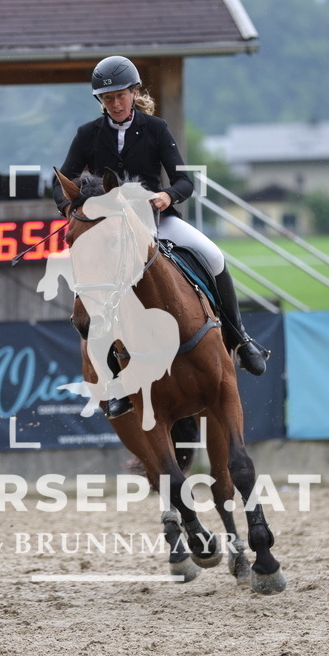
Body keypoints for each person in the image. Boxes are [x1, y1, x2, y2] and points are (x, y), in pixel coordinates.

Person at [52, 55, 268, 419]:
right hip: (110, 228)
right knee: (107, 290)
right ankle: (116, 380)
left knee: (213, 256)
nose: (116, 103)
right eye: (108, 98)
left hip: (155, 218)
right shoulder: (87, 135)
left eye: (121, 95)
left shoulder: (155, 128)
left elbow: (185, 179)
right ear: (101, 101)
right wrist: (72, 210)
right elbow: (62, 184)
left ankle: (240, 339)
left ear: (134, 93)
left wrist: (169, 195)